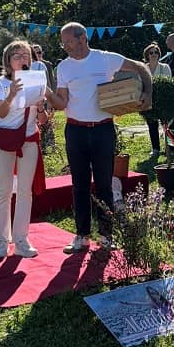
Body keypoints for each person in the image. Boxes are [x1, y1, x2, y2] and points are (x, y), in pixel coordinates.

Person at [45, 22, 152, 254]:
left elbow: (141, 67)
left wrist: (148, 92)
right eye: (63, 44)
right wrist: (47, 93)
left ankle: (106, 236)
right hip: (75, 131)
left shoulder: (105, 59)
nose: (66, 47)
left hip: (103, 130)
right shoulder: (63, 67)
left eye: (69, 42)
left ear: (83, 38)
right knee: (79, 185)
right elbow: (62, 104)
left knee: (104, 184)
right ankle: (82, 236)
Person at [0, 40, 49, 259]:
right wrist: (12, 93)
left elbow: (42, 120)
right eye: (17, 56)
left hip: (28, 140)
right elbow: (2, 113)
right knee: (4, 190)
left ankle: (21, 240)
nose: (23, 59)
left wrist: (41, 107)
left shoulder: (36, 81)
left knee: (25, 191)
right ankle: (1, 240)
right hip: (3, 140)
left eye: (26, 56)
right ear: (8, 60)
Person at [142, 42, 171, 157]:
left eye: (156, 52)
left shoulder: (165, 67)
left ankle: (172, 148)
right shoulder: (143, 68)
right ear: (147, 55)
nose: (154, 54)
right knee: (152, 125)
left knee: (168, 126)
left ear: (159, 54)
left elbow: (169, 84)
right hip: (149, 101)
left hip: (163, 101)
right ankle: (155, 149)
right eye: (151, 53)